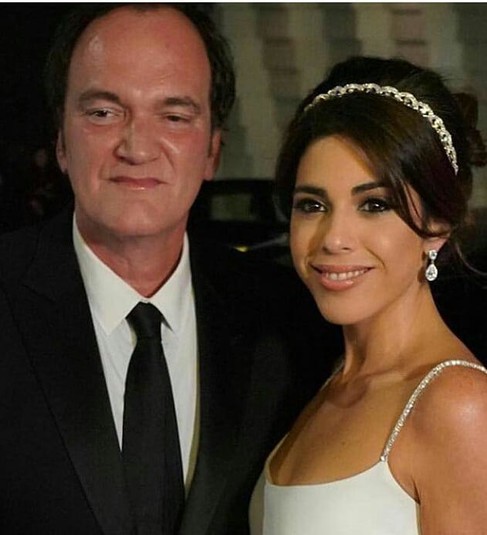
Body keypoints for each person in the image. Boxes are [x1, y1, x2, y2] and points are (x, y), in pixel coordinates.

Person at [0, 4, 342, 535]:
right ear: (61, 142)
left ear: (213, 151)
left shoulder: (293, 322)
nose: (137, 148)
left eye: (174, 116)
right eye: (103, 113)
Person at [256, 56, 487, 534]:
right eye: (312, 205)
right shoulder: (328, 382)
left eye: (374, 204)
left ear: (438, 225)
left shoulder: (459, 406)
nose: (334, 238)